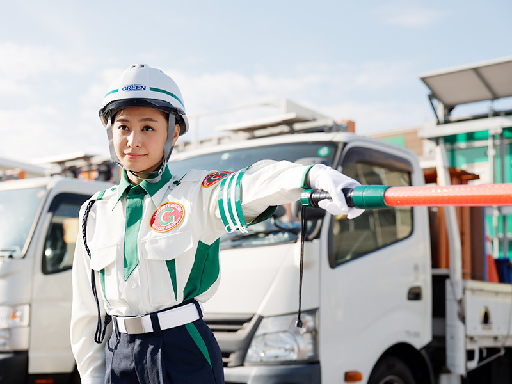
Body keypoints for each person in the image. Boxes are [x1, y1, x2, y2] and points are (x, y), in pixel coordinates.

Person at [70, 64, 363, 384]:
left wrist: (311, 176)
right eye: (123, 127)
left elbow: (252, 183)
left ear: (173, 132)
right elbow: (87, 314)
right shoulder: (93, 213)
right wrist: (92, 376)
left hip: (182, 350)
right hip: (119, 354)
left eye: (149, 128)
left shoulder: (197, 194)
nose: (133, 140)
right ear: (110, 131)